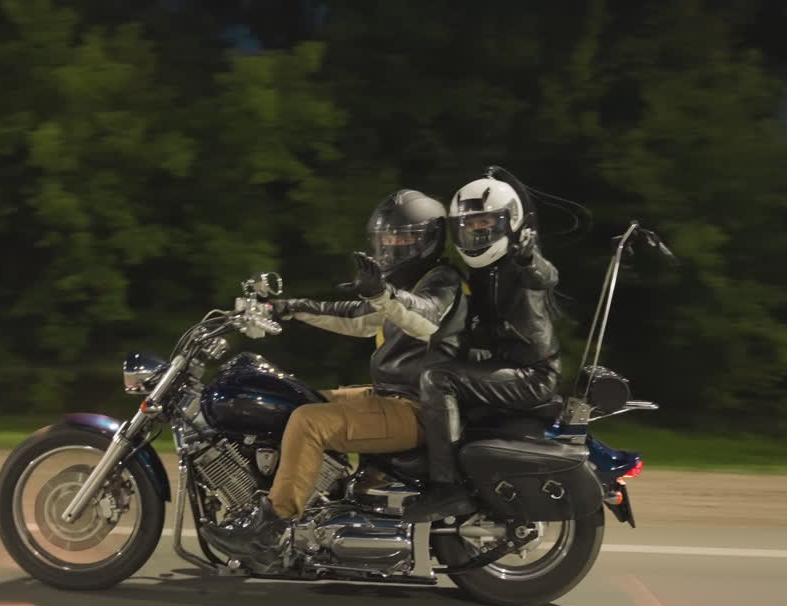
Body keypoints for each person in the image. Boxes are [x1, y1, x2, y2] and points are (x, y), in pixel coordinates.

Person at [202, 189, 466, 562]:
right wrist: (289, 308)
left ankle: (271, 530)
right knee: (298, 399)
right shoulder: (404, 286)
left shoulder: (442, 281)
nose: (391, 246)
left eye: (402, 238)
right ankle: (323, 501)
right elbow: (358, 319)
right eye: (385, 239)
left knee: (309, 422)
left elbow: (425, 320)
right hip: (389, 394)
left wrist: (384, 294)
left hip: (419, 407)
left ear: (428, 239)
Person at [401, 170, 563, 523]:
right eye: (468, 225)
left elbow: (546, 275)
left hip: (531, 375)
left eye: (485, 222)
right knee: (434, 362)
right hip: (500, 362)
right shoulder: (480, 271)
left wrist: (527, 258)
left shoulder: (519, 263)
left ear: (511, 220)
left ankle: (448, 489)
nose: (475, 231)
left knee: (438, 378)